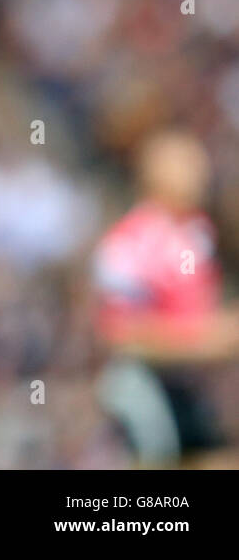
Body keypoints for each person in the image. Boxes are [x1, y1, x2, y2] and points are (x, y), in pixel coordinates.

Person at [92, 129, 239, 468]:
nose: (202, 172)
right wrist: (206, 339)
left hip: (191, 386)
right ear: (154, 172)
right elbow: (118, 333)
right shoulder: (129, 243)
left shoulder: (197, 233)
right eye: (188, 163)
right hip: (145, 387)